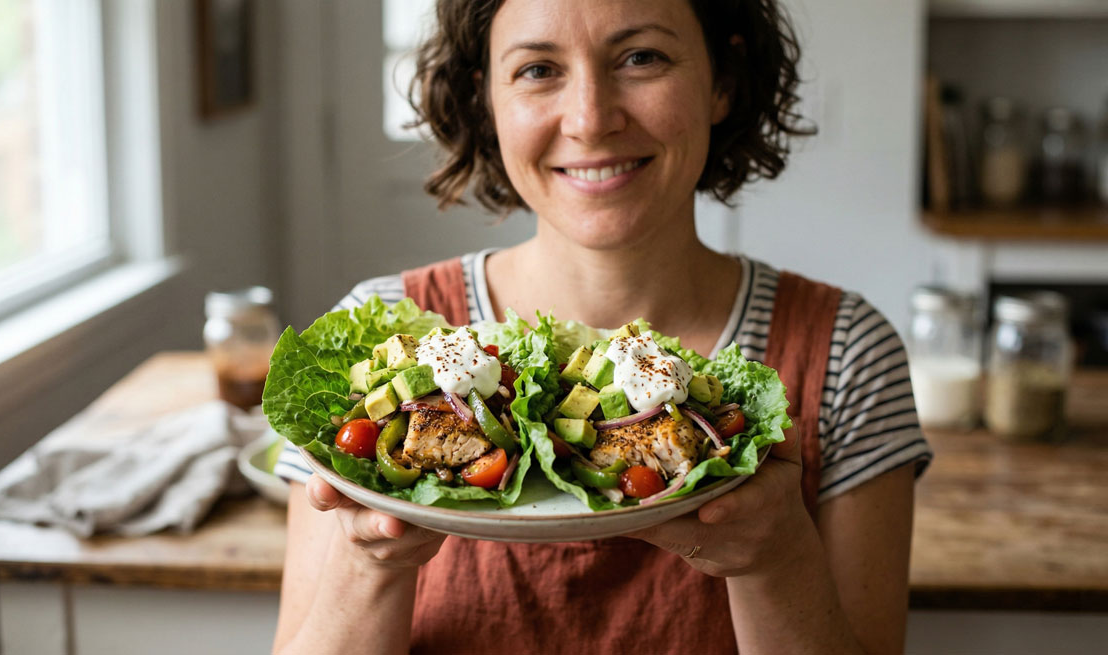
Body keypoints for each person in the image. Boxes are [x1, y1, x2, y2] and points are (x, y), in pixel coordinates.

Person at [272, 0, 931, 653]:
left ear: (722, 83)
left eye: (641, 57)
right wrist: (368, 563)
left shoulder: (848, 351)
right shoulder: (370, 331)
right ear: (487, 102)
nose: (590, 120)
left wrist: (779, 560)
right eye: (537, 69)